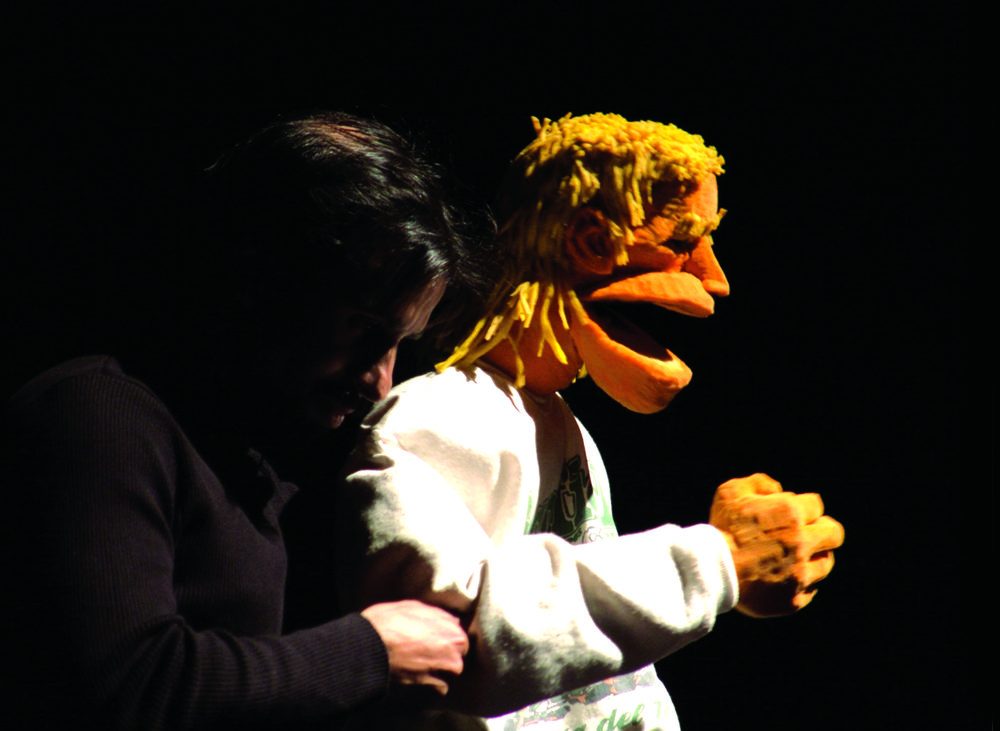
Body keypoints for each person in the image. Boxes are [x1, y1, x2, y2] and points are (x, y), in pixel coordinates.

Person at [335, 113, 844, 730]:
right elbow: (438, 643)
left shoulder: (560, 426)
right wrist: (717, 562)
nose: (715, 280)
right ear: (589, 242)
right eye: (683, 240)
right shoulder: (431, 420)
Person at [0, 112, 473, 730]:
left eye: (398, 345)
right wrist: (369, 654)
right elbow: (129, 687)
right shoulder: (96, 416)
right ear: (264, 276)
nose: (380, 381)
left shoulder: (246, 460)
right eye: (362, 326)